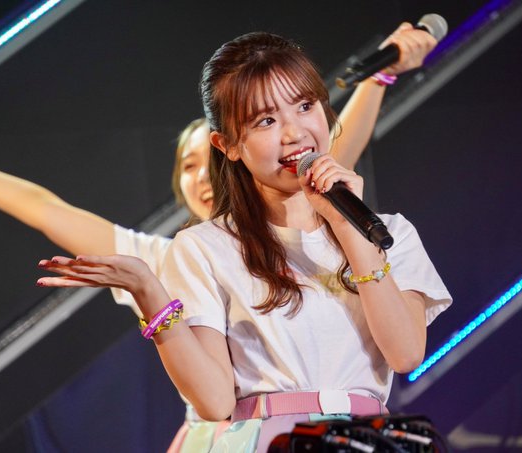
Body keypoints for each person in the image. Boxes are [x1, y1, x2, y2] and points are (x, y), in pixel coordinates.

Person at [35, 30, 451, 452]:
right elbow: (215, 402)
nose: (294, 133)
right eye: (266, 121)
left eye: (305, 106)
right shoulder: (204, 247)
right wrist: (148, 290)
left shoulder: (390, 232)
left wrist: (348, 228)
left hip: (365, 440)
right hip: (267, 439)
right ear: (228, 145)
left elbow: (405, 354)